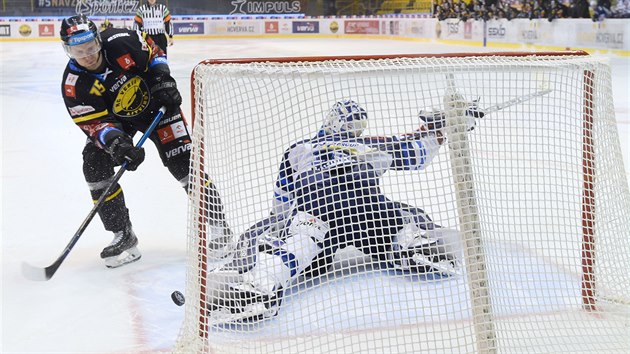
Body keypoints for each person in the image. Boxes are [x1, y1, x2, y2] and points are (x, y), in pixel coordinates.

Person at [206, 99, 483, 324]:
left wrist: (280, 226)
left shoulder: (300, 148)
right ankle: (413, 241)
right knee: (401, 215)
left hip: (318, 210)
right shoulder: (369, 144)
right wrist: (440, 131)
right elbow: (417, 155)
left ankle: (262, 284)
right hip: (366, 207)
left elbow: (282, 199)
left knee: (299, 247)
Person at [59, 14, 228, 269]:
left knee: (183, 164)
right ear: (67, 50)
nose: (87, 55)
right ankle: (123, 235)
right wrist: (117, 143)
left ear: (98, 40)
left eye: (91, 47)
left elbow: (155, 51)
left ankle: (220, 227)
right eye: (78, 50)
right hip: (119, 120)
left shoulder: (122, 40)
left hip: (157, 104)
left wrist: (162, 79)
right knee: (94, 163)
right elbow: (95, 125)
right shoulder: (74, 85)